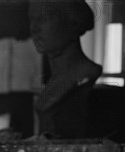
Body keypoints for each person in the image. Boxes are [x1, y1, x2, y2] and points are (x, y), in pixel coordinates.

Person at [29, 0, 102, 138]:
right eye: (32, 19)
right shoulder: (55, 80)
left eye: (45, 17)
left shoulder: (85, 76)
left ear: (73, 23)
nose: (35, 27)